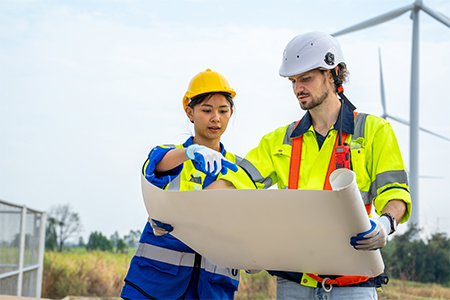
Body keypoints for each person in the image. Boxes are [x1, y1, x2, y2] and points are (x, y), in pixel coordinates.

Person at [216, 31, 412, 299]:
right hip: (293, 284)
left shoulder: (374, 131)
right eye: (293, 81)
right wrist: (182, 212)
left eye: (306, 78)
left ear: (332, 74)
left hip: (353, 286)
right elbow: (234, 183)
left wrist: (385, 224)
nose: (298, 88)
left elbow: (396, 193)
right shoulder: (279, 140)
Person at [120, 69, 254, 300]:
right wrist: (190, 153)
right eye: (206, 110)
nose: (216, 118)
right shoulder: (175, 157)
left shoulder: (239, 169)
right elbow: (156, 164)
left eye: (223, 111)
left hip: (212, 288)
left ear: (231, 113)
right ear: (189, 112)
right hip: (157, 286)